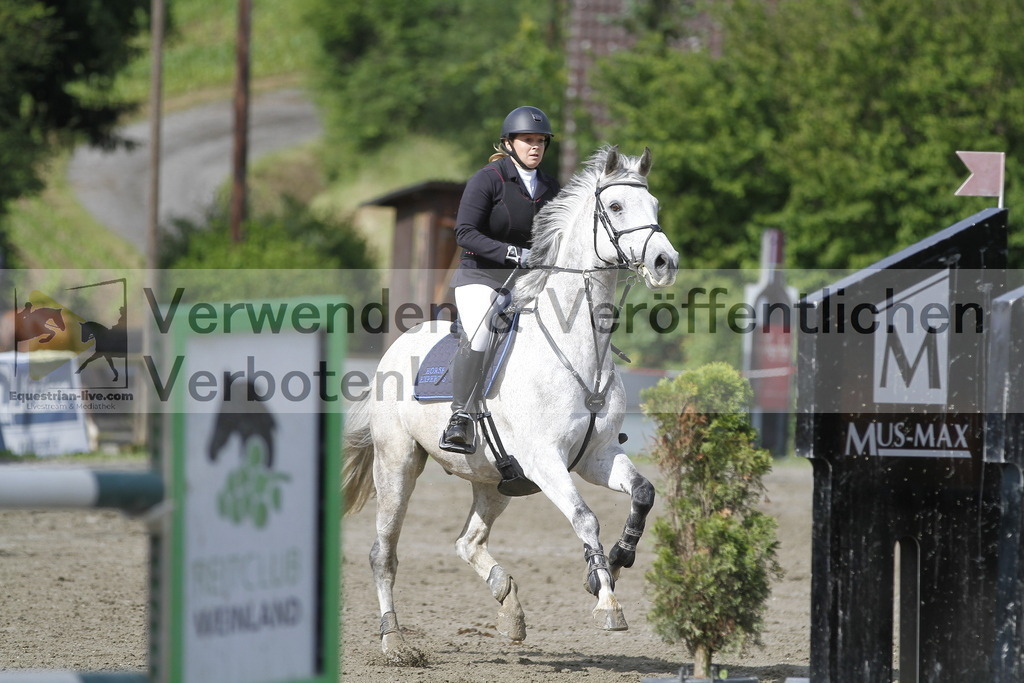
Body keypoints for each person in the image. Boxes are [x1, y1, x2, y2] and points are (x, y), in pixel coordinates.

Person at [439, 105, 562, 454]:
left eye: (540, 141)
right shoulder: (488, 179)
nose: (535, 147)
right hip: (481, 275)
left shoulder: (551, 187)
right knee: (480, 330)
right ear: (508, 143)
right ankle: (460, 417)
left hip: (528, 281)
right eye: (527, 140)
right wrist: (513, 254)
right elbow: (464, 232)